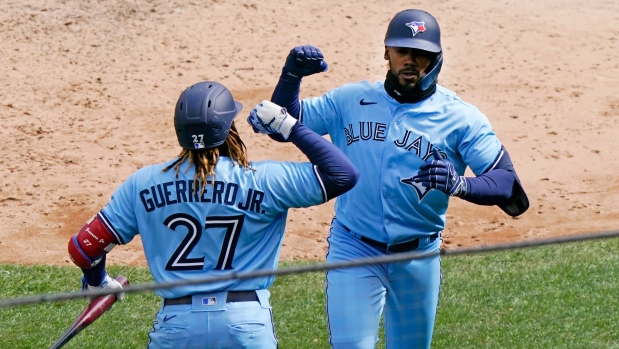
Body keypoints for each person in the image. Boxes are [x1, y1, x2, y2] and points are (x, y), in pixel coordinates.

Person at [269, 9, 529, 349]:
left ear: (436, 59)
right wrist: (291, 77)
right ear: (386, 52)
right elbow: (282, 123)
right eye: (403, 51)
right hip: (354, 248)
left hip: (419, 254)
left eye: (421, 54)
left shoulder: (461, 117)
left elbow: (506, 182)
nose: (411, 61)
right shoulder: (350, 100)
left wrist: (458, 184)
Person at [66, 81, 359, 349]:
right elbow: (342, 174)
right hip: (245, 323)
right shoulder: (265, 179)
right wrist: (290, 127)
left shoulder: (142, 183)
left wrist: (98, 282)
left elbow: (84, 248)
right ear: (229, 128)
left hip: (176, 326)